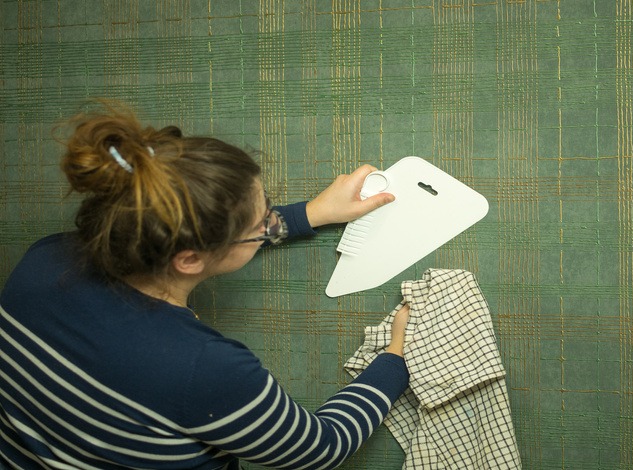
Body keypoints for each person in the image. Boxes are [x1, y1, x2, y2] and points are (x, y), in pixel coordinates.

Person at [0, 103, 411, 470]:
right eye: (260, 223)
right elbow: (322, 447)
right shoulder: (206, 369)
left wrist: (310, 213)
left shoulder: (46, 257)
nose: (270, 219)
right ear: (190, 259)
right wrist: (394, 359)